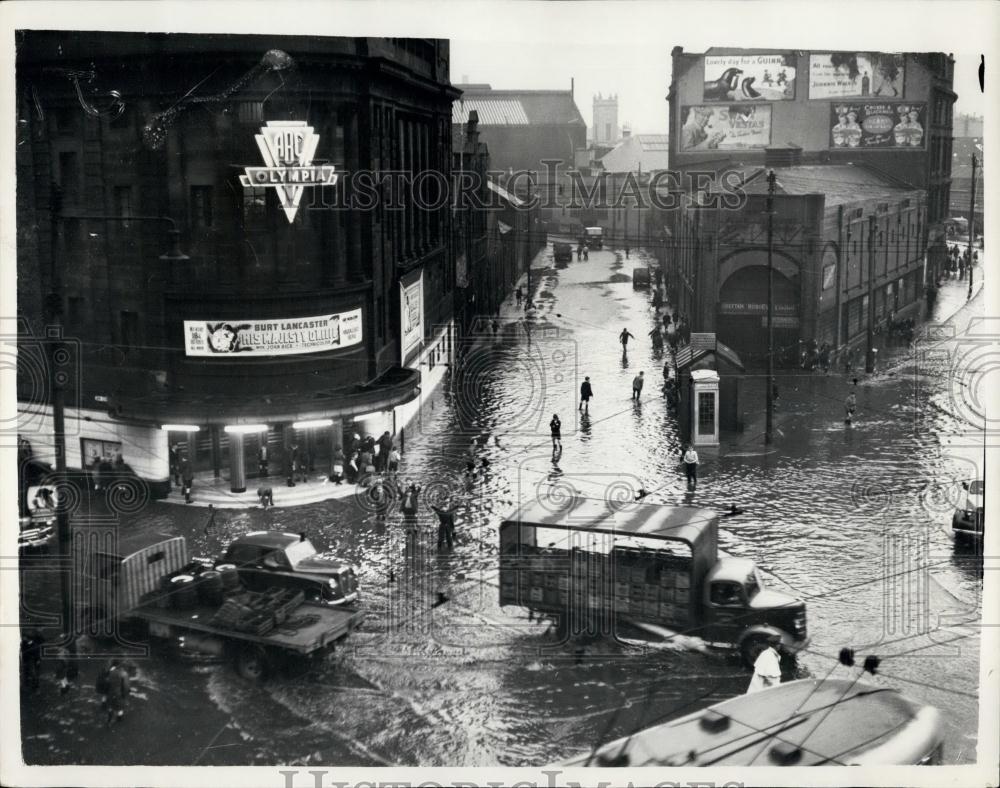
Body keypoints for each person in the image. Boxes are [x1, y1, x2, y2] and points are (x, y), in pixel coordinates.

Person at [105, 659, 130, 725]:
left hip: (110, 692)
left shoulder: (110, 672)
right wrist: (125, 695)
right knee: (120, 707)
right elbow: (126, 686)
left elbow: (107, 682)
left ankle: (109, 719)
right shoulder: (124, 674)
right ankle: (119, 719)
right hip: (119, 694)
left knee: (110, 706)